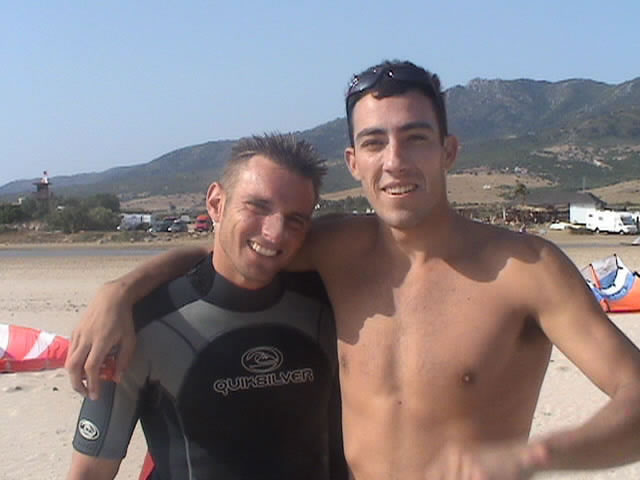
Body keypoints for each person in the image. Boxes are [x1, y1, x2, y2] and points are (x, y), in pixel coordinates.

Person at [67, 61, 640, 479]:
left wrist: (537, 455)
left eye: (415, 139)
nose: (395, 161)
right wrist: (120, 291)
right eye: (374, 142)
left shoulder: (527, 269)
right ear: (353, 161)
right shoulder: (337, 247)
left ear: (448, 151)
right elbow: (237, 250)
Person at [67, 134, 347, 480]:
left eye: (295, 220)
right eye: (257, 206)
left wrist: (120, 289)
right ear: (216, 203)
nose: (274, 233)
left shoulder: (330, 307)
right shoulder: (137, 326)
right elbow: (89, 473)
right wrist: (118, 292)